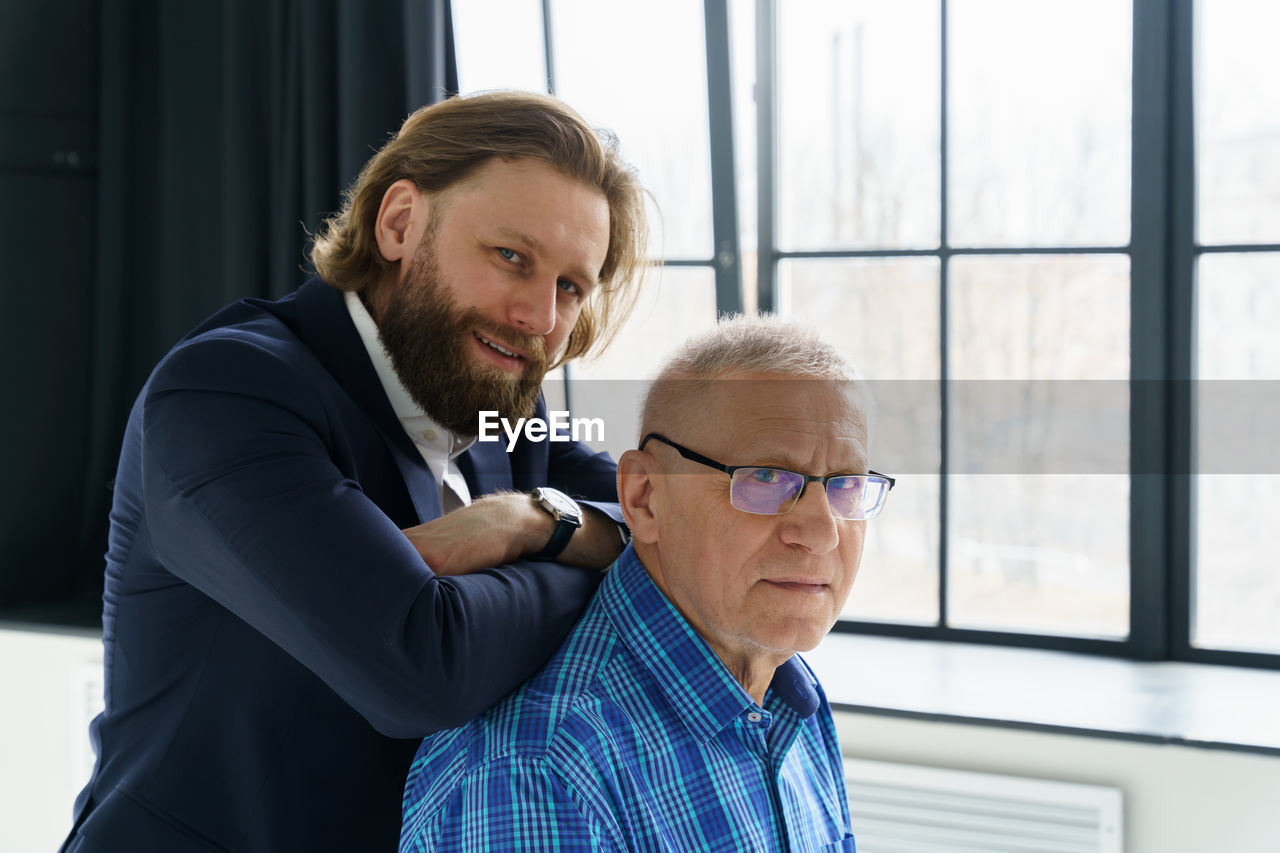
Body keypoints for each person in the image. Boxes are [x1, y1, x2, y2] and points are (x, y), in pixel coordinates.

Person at [62, 91, 650, 853]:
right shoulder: (224, 391)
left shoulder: (495, 407)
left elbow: (662, 511)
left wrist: (531, 521)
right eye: (512, 257)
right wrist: (574, 538)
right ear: (400, 221)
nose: (540, 316)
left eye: (571, 287)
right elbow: (419, 667)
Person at [400, 315, 894, 852]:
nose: (822, 533)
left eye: (848, 485)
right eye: (766, 478)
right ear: (644, 497)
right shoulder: (539, 775)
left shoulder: (792, 694)